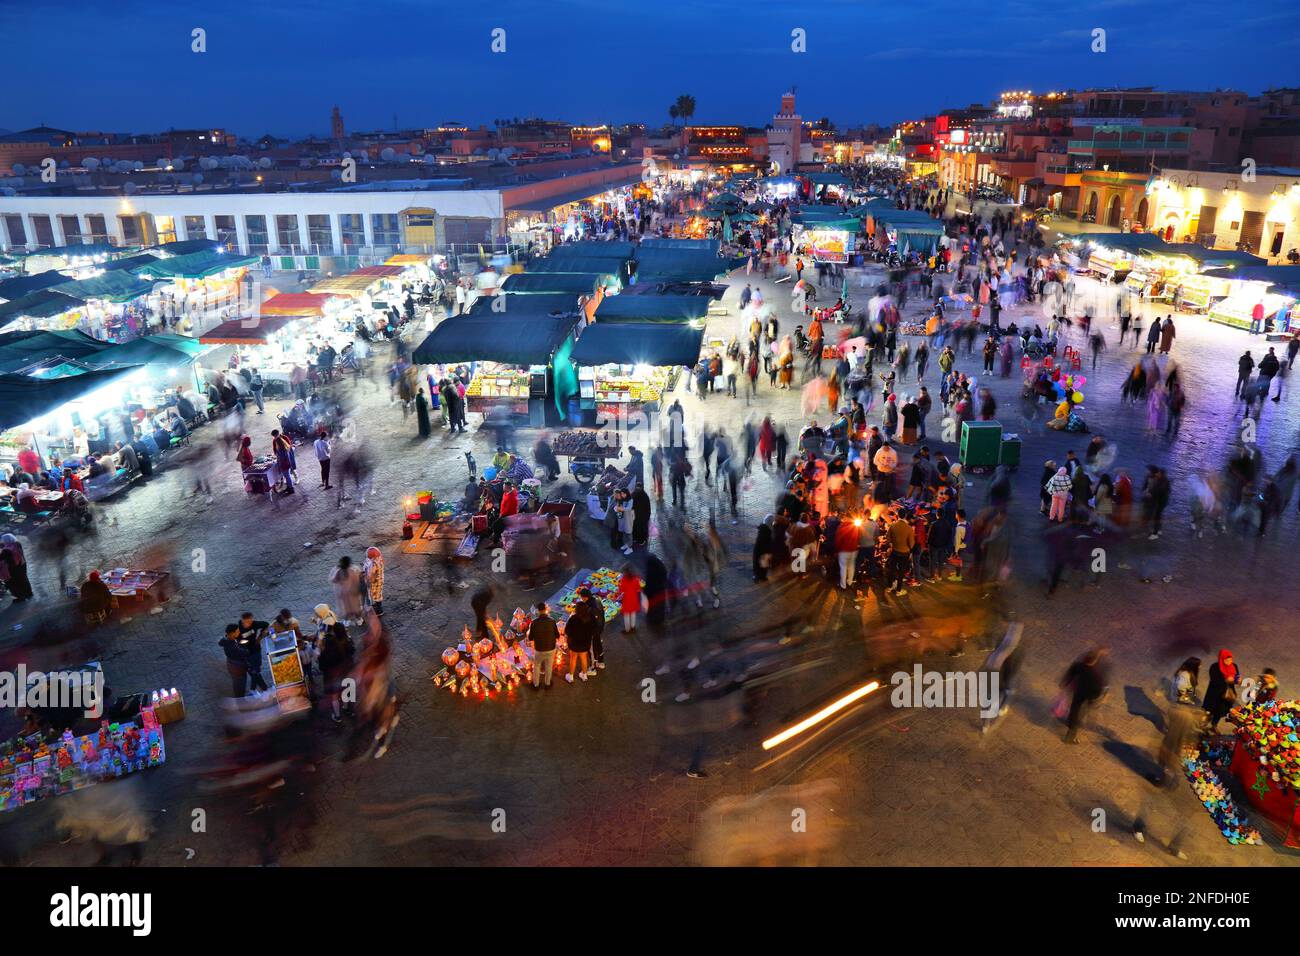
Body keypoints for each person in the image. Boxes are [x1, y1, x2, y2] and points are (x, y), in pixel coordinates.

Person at [1062, 647, 1110, 744]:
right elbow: (1099, 690)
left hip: (1079, 691)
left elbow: (1070, 673)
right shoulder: (1096, 676)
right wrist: (1097, 699)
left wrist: (1065, 684)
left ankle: (1070, 721)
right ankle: (1069, 737)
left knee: (1074, 709)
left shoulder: (1079, 665)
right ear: (1094, 661)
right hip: (1088, 696)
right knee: (1079, 715)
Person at [1202, 649, 1240, 729]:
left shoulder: (1234, 666)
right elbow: (1214, 680)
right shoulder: (1215, 667)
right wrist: (1226, 680)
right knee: (1209, 711)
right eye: (1227, 659)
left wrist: (1238, 680)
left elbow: (1236, 677)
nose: (1229, 661)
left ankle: (1214, 725)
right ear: (1221, 659)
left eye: (1230, 659)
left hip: (1227, 694)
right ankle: (1203, 726)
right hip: (1215, 694)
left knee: (1220, 711)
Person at [528, 603, 559, 690]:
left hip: (539, 649)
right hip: (551, 648)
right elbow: (557, 635)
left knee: (537, 666)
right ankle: (547, 684)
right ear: (545, 609)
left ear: (538, 611)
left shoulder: (534, 623)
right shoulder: (552, 621)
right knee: (549, 666)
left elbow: (530, 637)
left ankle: (536, 684)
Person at [563, 599, 595, 683]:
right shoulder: (590, 618)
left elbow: (567, 630)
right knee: (584, 657)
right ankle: (584, 675)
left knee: (573, 658)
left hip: (574, 643)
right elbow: (594, 630)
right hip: (585, 643)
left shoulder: (573, 618)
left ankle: (571, 676)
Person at [330, 555, 365, 625]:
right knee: (356, 607)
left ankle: (347, 620)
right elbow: (361, 577)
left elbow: (333, 580)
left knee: (346, 608)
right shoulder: (355, 569)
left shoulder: (339, 571)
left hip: (344, 594)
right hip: (354, 593)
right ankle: (359, 619)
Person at [219, 624, 249, 698]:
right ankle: (240, 702)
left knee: (237, 684)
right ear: (232, 633)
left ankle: (240, 698)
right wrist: (246, 648)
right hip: (238, 669)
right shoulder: (232, 646)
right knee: (239, 687)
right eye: (237, 631)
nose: (239, 632)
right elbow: (244, 652)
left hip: (234, 667)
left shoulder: (228, 639)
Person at [618, 565, 643, 633]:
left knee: (626, 616)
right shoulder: (636, 579)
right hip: (634, 600)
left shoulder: (623, 580)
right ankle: (633, 627)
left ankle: (627, 629)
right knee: (633, 614)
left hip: (627, 600)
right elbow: (638, 589)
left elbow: (621, 590)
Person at [364, 546, 385, 617]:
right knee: (378, 594)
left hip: (376, 582)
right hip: (380, 579)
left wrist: (366, 578)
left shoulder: (374, 564)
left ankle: (379, 611)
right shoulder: (380, 559)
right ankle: (377, 605)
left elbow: (371, 575)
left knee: (377, 595)